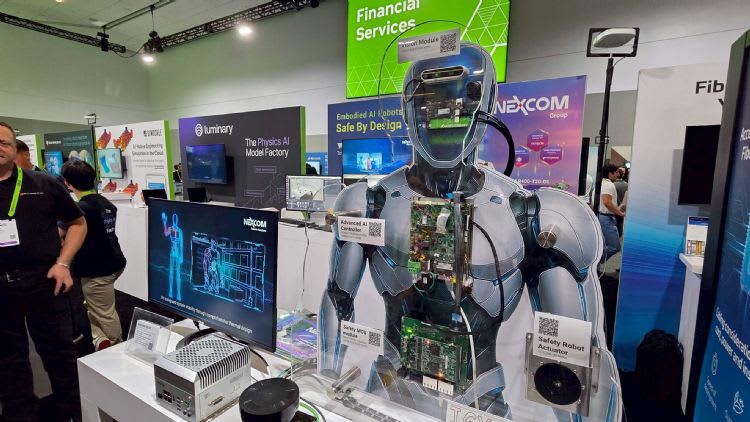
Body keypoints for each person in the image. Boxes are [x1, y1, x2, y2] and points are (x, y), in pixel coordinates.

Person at [0, 122, 87, 422]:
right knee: (9, 363)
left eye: (4, 143)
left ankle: (74, 414)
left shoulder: (43, 183)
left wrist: (63, 263)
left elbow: (78, 224)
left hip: (46, 284)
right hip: (1, 291)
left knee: (61, 356)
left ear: (15, 149)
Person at [61, 160, 127, 351]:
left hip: (97, 271)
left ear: (68, 183)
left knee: (104, 313)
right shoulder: (105, 203)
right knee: (96, 306)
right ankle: (100, 341)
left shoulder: (79, 209)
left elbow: (59, 234)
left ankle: (115, 347)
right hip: (114, 262)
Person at [599, 162, 625, 264]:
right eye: (616, 172)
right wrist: (619, 213)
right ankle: (595, 263)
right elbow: (607, 202)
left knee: (603, 245)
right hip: (606, 218)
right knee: (614, 246)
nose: (618, 175)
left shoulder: (602, 183)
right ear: (610, 173)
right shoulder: (608, 185)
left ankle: (596, 267)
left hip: (603, 217)